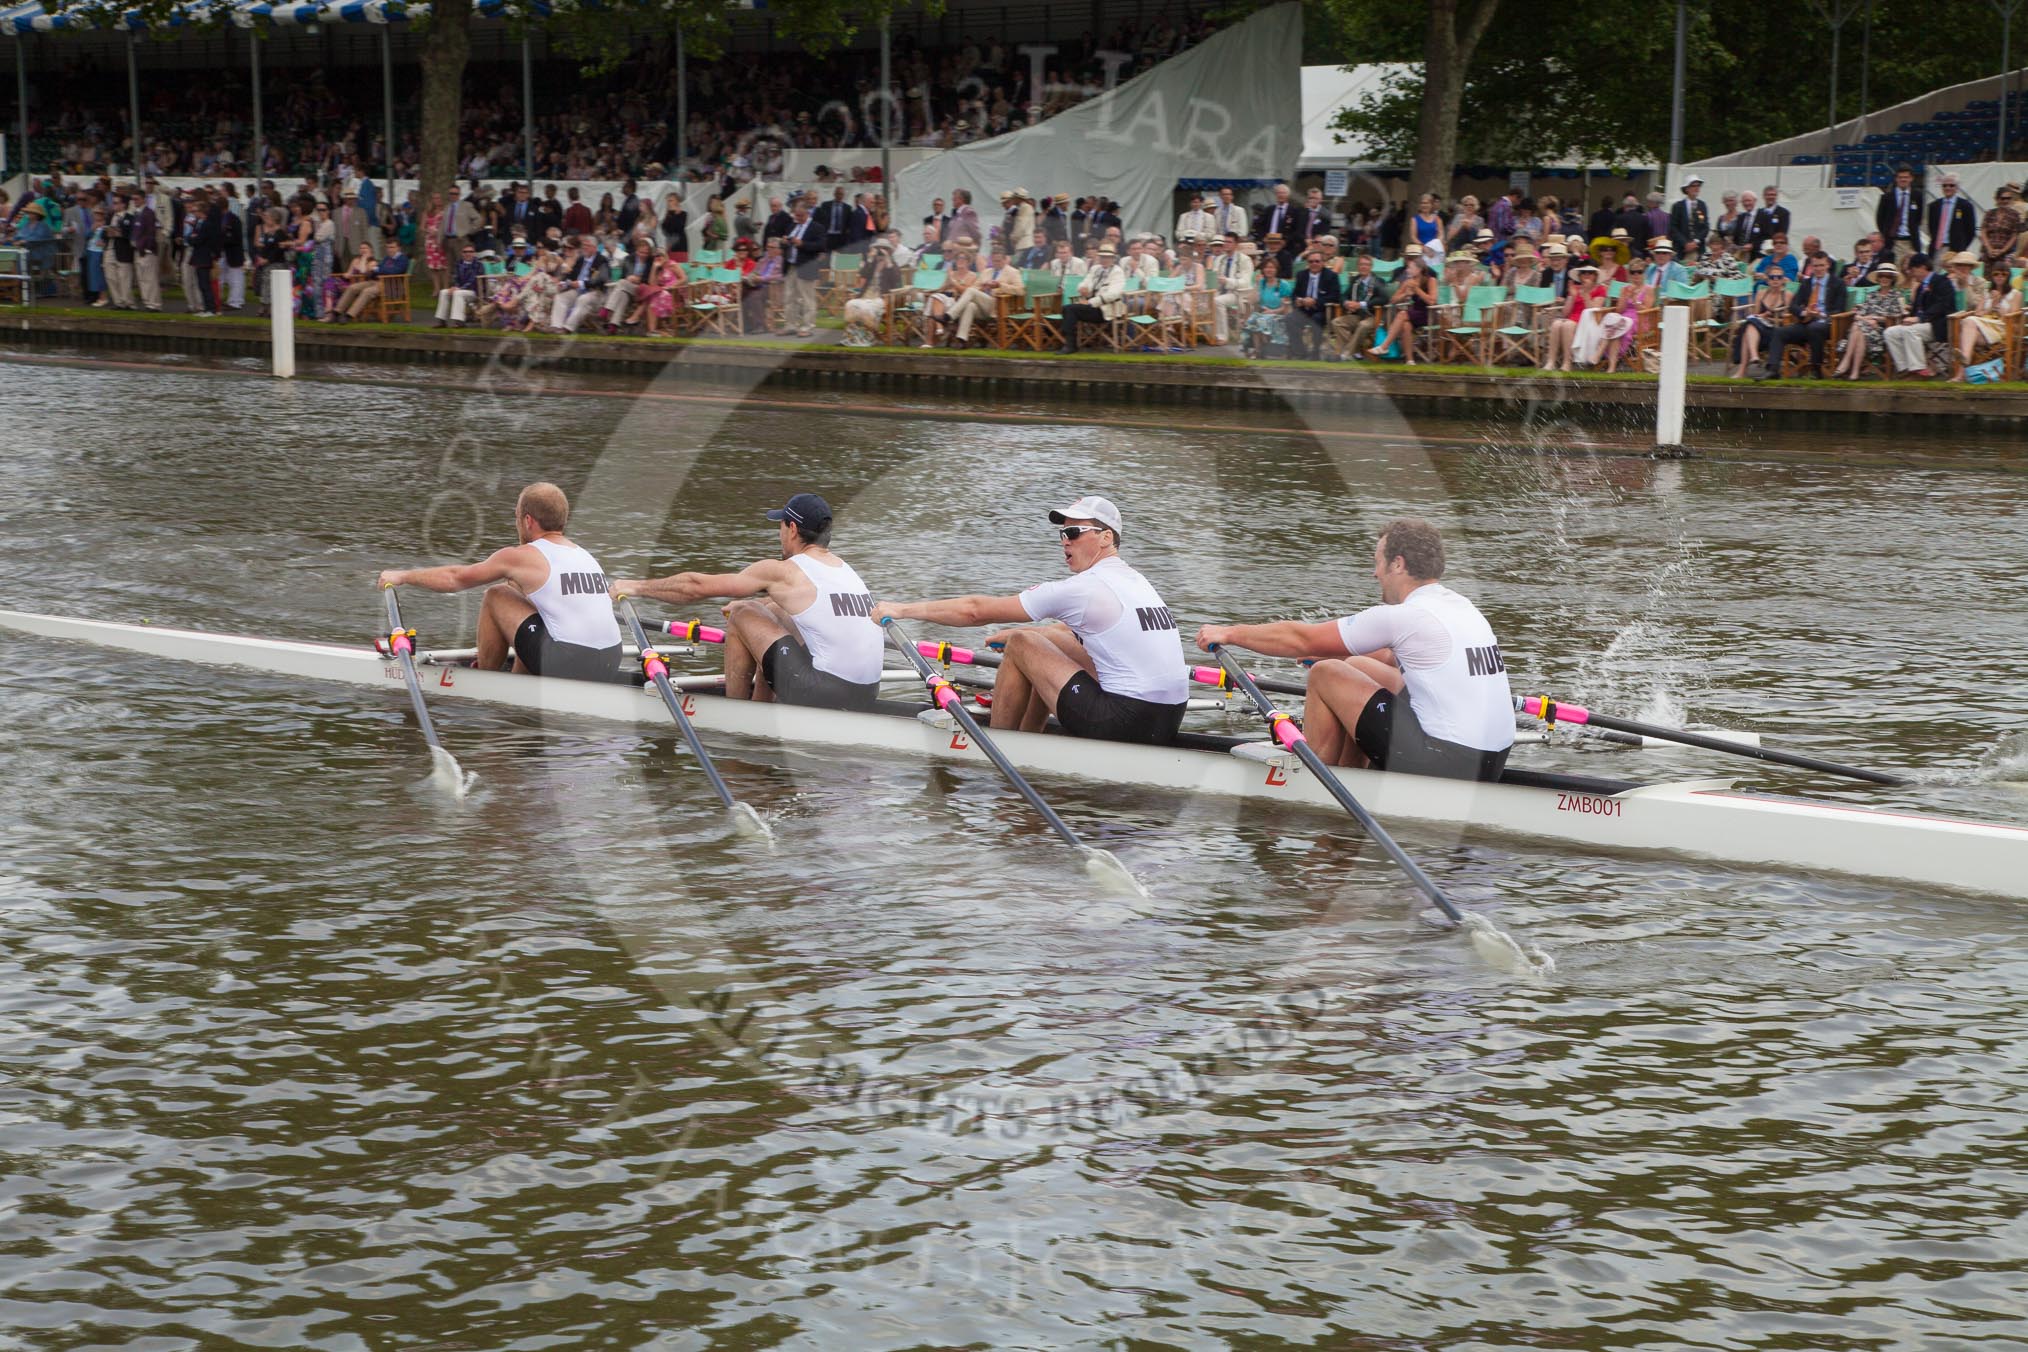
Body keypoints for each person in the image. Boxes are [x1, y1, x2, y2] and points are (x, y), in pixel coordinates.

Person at [1194, 519, 1512, 779]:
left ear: (1397, 564)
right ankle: (1351, 771)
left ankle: (1314, 781)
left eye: (1378, 563)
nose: (1375, 573)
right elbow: (1391, 656)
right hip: (1490, 762)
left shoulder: (1404, 616)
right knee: (1356, 665)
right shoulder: (1461, 607)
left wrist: (1229, 633)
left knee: (1326, 673)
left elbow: (1301, 639)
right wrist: (1337, 652)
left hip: (1448, 762)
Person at [872, 496, 1189, 744]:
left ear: (1106, 537)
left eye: (1074, 532)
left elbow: (975, 611)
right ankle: (1027, 739)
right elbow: (1079, 630)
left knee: (1024, 643)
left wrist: (901, 611)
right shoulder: (1136, 582)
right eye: (1063, 533)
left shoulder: (1084, 589)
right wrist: (1027, 633)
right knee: (1039, 638)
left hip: (1123, 722)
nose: (1065, 540)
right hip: (1168, 720)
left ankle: (1001, 745)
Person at [612, 493, 884, 711]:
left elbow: (695, 587)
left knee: (741, 611)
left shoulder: (786, 570)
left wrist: (636, 587)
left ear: (791, 529)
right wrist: (763, 609)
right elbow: (787, 607)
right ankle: (762, 706)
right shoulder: (844, 570)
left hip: (824, 694)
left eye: (779, 525)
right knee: (766, 610)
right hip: (867, 695)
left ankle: (738, 714)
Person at [375, 482, 623, 682]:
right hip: (611, 661)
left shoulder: (522, 556)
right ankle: (518, 680)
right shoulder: (585, 555)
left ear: (528, 520)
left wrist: (403, 576)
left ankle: (487, 680)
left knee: (497, 595)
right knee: (521, 594)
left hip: (569, 661)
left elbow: (455, 578)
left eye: (516, 516)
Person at [1755, 252, 1844, 379]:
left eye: (1821, 265)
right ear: (1811, 266)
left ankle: (1816, 369)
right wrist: (1804, 312)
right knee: (1779, 332)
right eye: (1815, 266)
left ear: (1828, 265)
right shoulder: (1807, 283)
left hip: (1828, 324)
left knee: (1815, 328)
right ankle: (1773, 369)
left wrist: (1821, 315)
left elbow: (1840, 309)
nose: (1818, 269)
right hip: (1806, 322)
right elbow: (1793, 305)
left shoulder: (1838, 283)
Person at [1832, 262, 1907, 379]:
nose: (1884, 279)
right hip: (1864, 329)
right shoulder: (1871, 295)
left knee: (1858, 327)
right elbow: (1857, 315)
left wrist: (1874, 318)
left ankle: (1846, 363)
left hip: (1881, 331)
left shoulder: (1897, 296)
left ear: (1893, 279)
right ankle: (1855, 372)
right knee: (1859, 327)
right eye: (1882, 275)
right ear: (1878, 278)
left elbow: (1896, 317)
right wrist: (1867, 321)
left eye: (1888, 276)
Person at [1884, 255, 1954, 378]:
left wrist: (1919, 318)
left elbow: (1942, 306)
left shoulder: (1943, 282)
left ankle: (1919, 368)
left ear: (1922, 267)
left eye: (1913, 270)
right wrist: (1909, 317)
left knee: (1911, 331)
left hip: (1939, 325)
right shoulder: (1921, 286)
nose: (1911, 274)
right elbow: (1917, 309)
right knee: (1890, 332)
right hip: (1920, 325)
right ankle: (1905, 368)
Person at [1949, 262, 2018, 381]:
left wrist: (1998, 303)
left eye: (2003, 274)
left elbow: (2013, 318)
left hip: (2001, 329)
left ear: (2008, 276)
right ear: (1992, 276)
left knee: (1968, 322)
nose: (1999, 276)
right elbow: (1978, 313)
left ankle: (1961, 371)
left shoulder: (2015, 294)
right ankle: (1962, 368)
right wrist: (1990, 305)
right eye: (1996, 274)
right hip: (1984, 327)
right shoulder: (1987, 293)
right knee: (1971, 329)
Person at [1287, 249, 1342, 360]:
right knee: (1289, 318)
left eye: (1317, 261)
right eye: (1311, 261)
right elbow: (1294, 295)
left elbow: (1335, 297)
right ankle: (1300, 351)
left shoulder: (1331, 276)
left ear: (1323, 262)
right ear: (1308, 263)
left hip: (1321, 310)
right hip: (1304, 310)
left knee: (1316, 319)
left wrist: (1315, 301)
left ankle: (1315, 351)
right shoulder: (1301, 275)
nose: (1314, 264)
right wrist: (1298, 300)